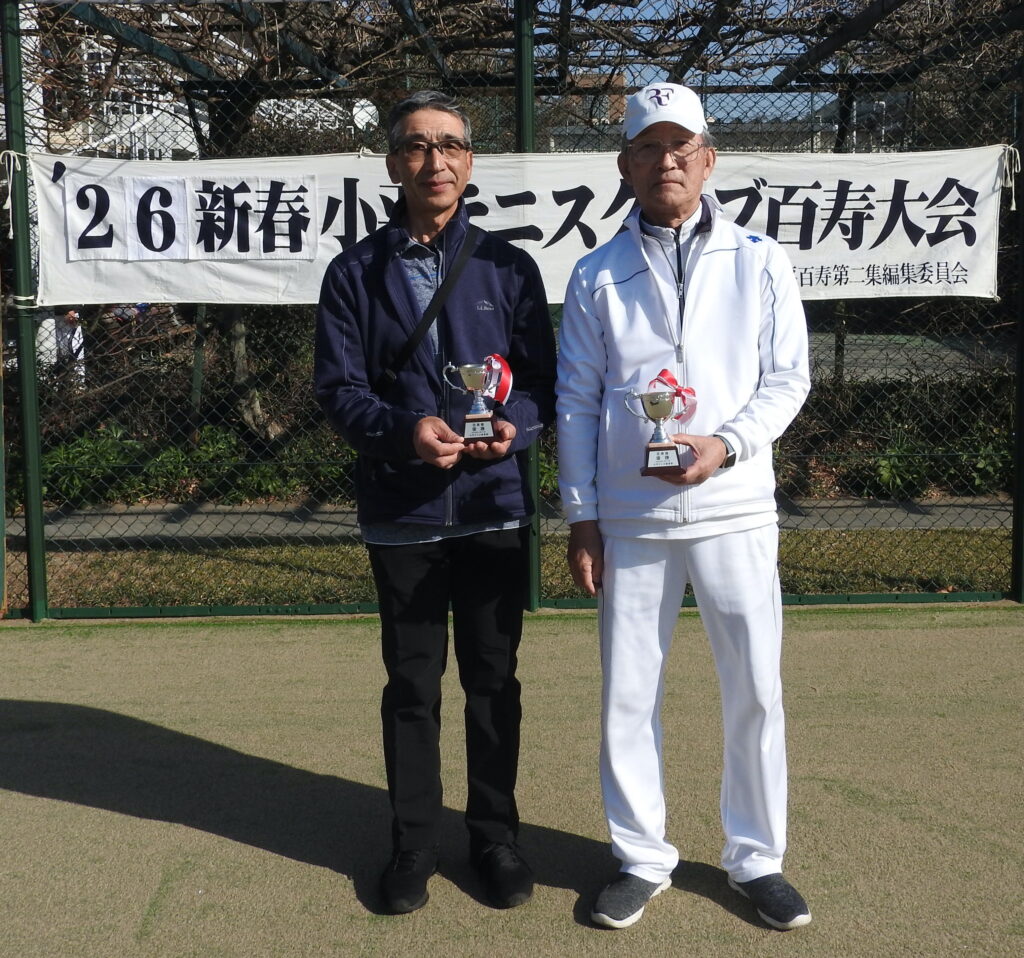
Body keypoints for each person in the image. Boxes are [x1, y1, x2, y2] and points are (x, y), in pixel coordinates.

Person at [556, 82, 812, 931]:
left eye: (681, 146)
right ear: (625, 166)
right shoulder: (595, 272)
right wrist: (582, 515)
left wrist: (725, 445)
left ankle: (757, 858)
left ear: (708, 159)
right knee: (628, 694)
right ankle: (641, 857)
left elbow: (787, 380)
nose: (665, 160)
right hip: (630, 517)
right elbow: (576, 402)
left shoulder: (761, 260)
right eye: (648, 148)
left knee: (756, 689)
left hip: (735, 507)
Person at [314, 90, 556, 915]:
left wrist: (515, 430)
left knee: (494, 681)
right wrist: (404, 432)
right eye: (417, 146)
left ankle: (494, 839)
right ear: (393, 163)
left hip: (494, 505)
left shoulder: (508, 267)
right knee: (412, 686)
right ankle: (413, 843)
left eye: (449, 146)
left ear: (469, 162)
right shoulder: (353, 273)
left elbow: (542, 383)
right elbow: (339, 391)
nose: (434, 161)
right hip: (403, 512)